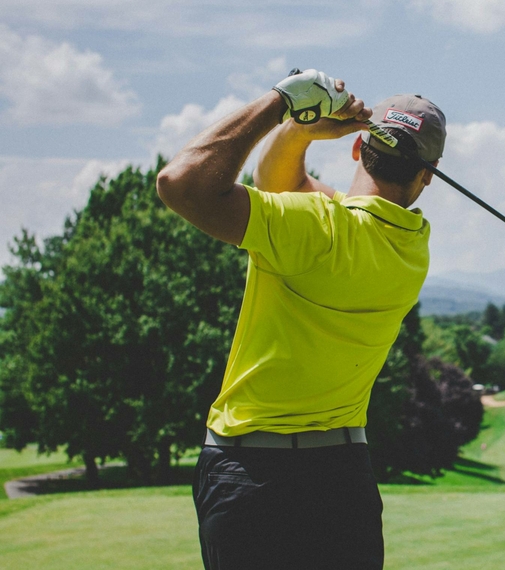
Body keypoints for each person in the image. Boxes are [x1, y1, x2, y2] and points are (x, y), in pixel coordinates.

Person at [156, 68, 446, 570]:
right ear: (428, 176)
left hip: (249, 473)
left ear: (357, 147)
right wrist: (297, 132)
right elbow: (285, 185)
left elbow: (180, 184)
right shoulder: (411, 249)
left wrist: (285, 104)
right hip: (344, 479)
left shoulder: (313, 230)